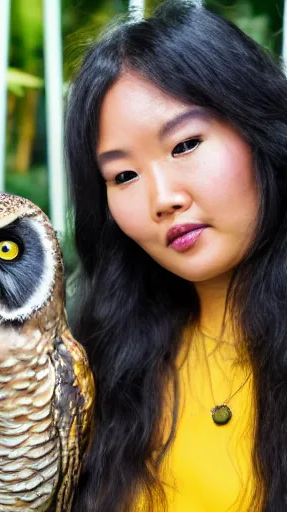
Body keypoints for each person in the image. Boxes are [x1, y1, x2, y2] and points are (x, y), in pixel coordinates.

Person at [65, 1, 287, 510]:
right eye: (123, 176)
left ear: (258, 129)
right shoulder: (101, 365)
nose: (162, 198)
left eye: (185, 144)